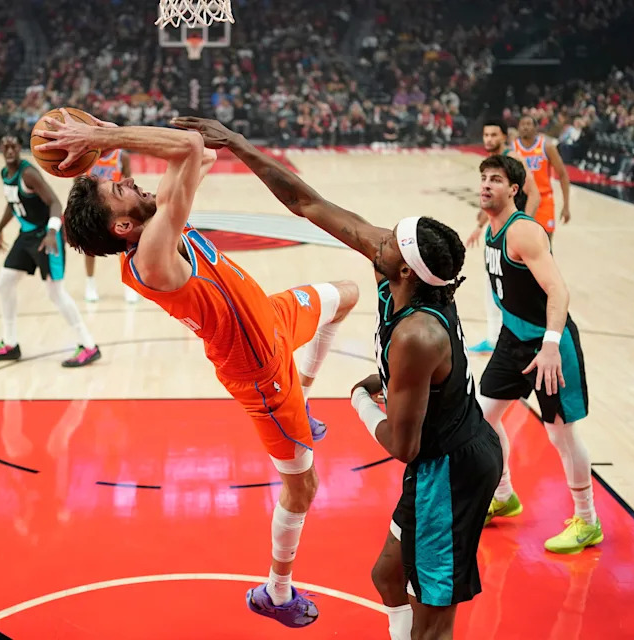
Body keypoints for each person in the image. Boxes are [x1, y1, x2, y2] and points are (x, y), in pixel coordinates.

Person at [173, 116, 502, 640]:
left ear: (405, 270)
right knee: (387, 576)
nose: (379, 238)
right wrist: (238, 143)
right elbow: (308, 203)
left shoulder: (418, 335)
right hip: (441, 452)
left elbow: (403, 446)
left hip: (450, 471)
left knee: (434, 623)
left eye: (391, 241)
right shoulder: (403, 276)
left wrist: (359, 399)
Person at [34, 111, 358, 628]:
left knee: (348, 293)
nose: (127, 180)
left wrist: (103, 131)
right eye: (118, 190)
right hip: (262, 375)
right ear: (123, 227)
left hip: (271, 316)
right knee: (304, 488)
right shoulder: (152, 257)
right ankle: (276, 592)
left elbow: (200, 153)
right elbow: (186, 149)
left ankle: (308, 396)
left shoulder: (156, 219)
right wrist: (100, 134)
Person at [477, 154, 601, 554]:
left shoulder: (523, 232)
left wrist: (550, 345)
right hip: (513, 339)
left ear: (514, 189)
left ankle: (588, 520)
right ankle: (503, 494)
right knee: (482, 417)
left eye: (496, 179)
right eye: (483, 178)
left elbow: (559, 290)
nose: (486, 184)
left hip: (549, 344)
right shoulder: (492, 229)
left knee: (560, 434)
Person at [0, 135, 101, 368]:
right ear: (0, 149)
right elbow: (13, 203)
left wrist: (51, 232)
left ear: (19, 148)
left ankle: (88, 346)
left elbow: (55, 203)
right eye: (5, 146)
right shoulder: (5, 174)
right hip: (26, 236)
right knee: (5, 283)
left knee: (55, 293)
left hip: (47, 236)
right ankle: (10, 344)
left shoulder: (28, 174)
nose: (10, 150)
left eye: (13, 146)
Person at [467, 120, 541, 355]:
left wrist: (523, 224)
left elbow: (534, 195)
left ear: (503, 137)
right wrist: (479, 226)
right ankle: (493, 339)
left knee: (513, 289)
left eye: (493, 135)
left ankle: (525, 340)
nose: (489, 139)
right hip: (496, 231)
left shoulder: (513, 160)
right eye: (486, 135)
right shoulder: (491, 164)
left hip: (513, 235)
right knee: (492, 284)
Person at [80, 149, 140, 304]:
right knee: (90, 248)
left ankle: (130, 285)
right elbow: (78, 182)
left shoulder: (122, 156)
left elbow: (128, 184)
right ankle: (90, 284)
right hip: (93, 208)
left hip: (115, 209)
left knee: (124, 247)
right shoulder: (88, 154)